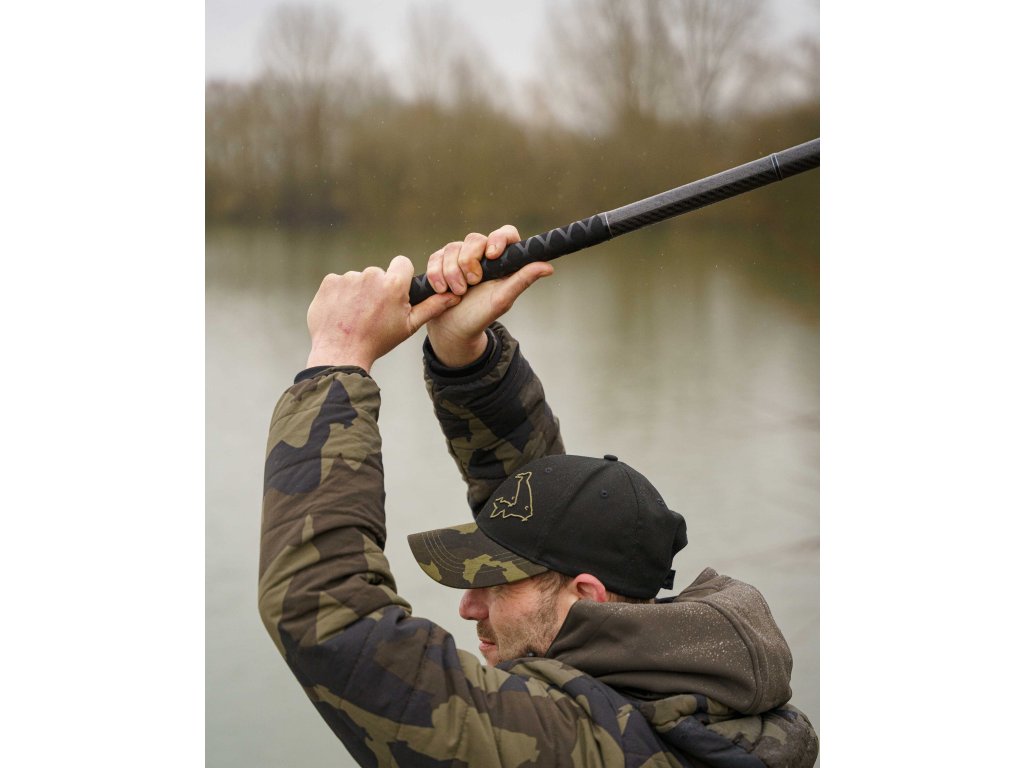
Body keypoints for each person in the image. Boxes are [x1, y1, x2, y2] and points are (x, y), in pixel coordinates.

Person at [259, 225, 819, 767]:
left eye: (499, 582)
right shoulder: (686, 684)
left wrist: (337, 359)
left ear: (588, 597)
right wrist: (465, 357)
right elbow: (537, 515)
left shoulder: (573, 747)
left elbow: (326, 613)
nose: (468, 606)